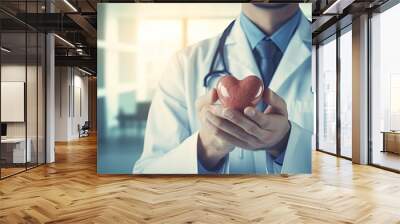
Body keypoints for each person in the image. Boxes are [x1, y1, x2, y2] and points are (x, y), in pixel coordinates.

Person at [133, 3, 313, 174]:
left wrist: (287, 144)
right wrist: (205, 150)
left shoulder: (337, 47)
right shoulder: (185, 63)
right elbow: (146, 176)